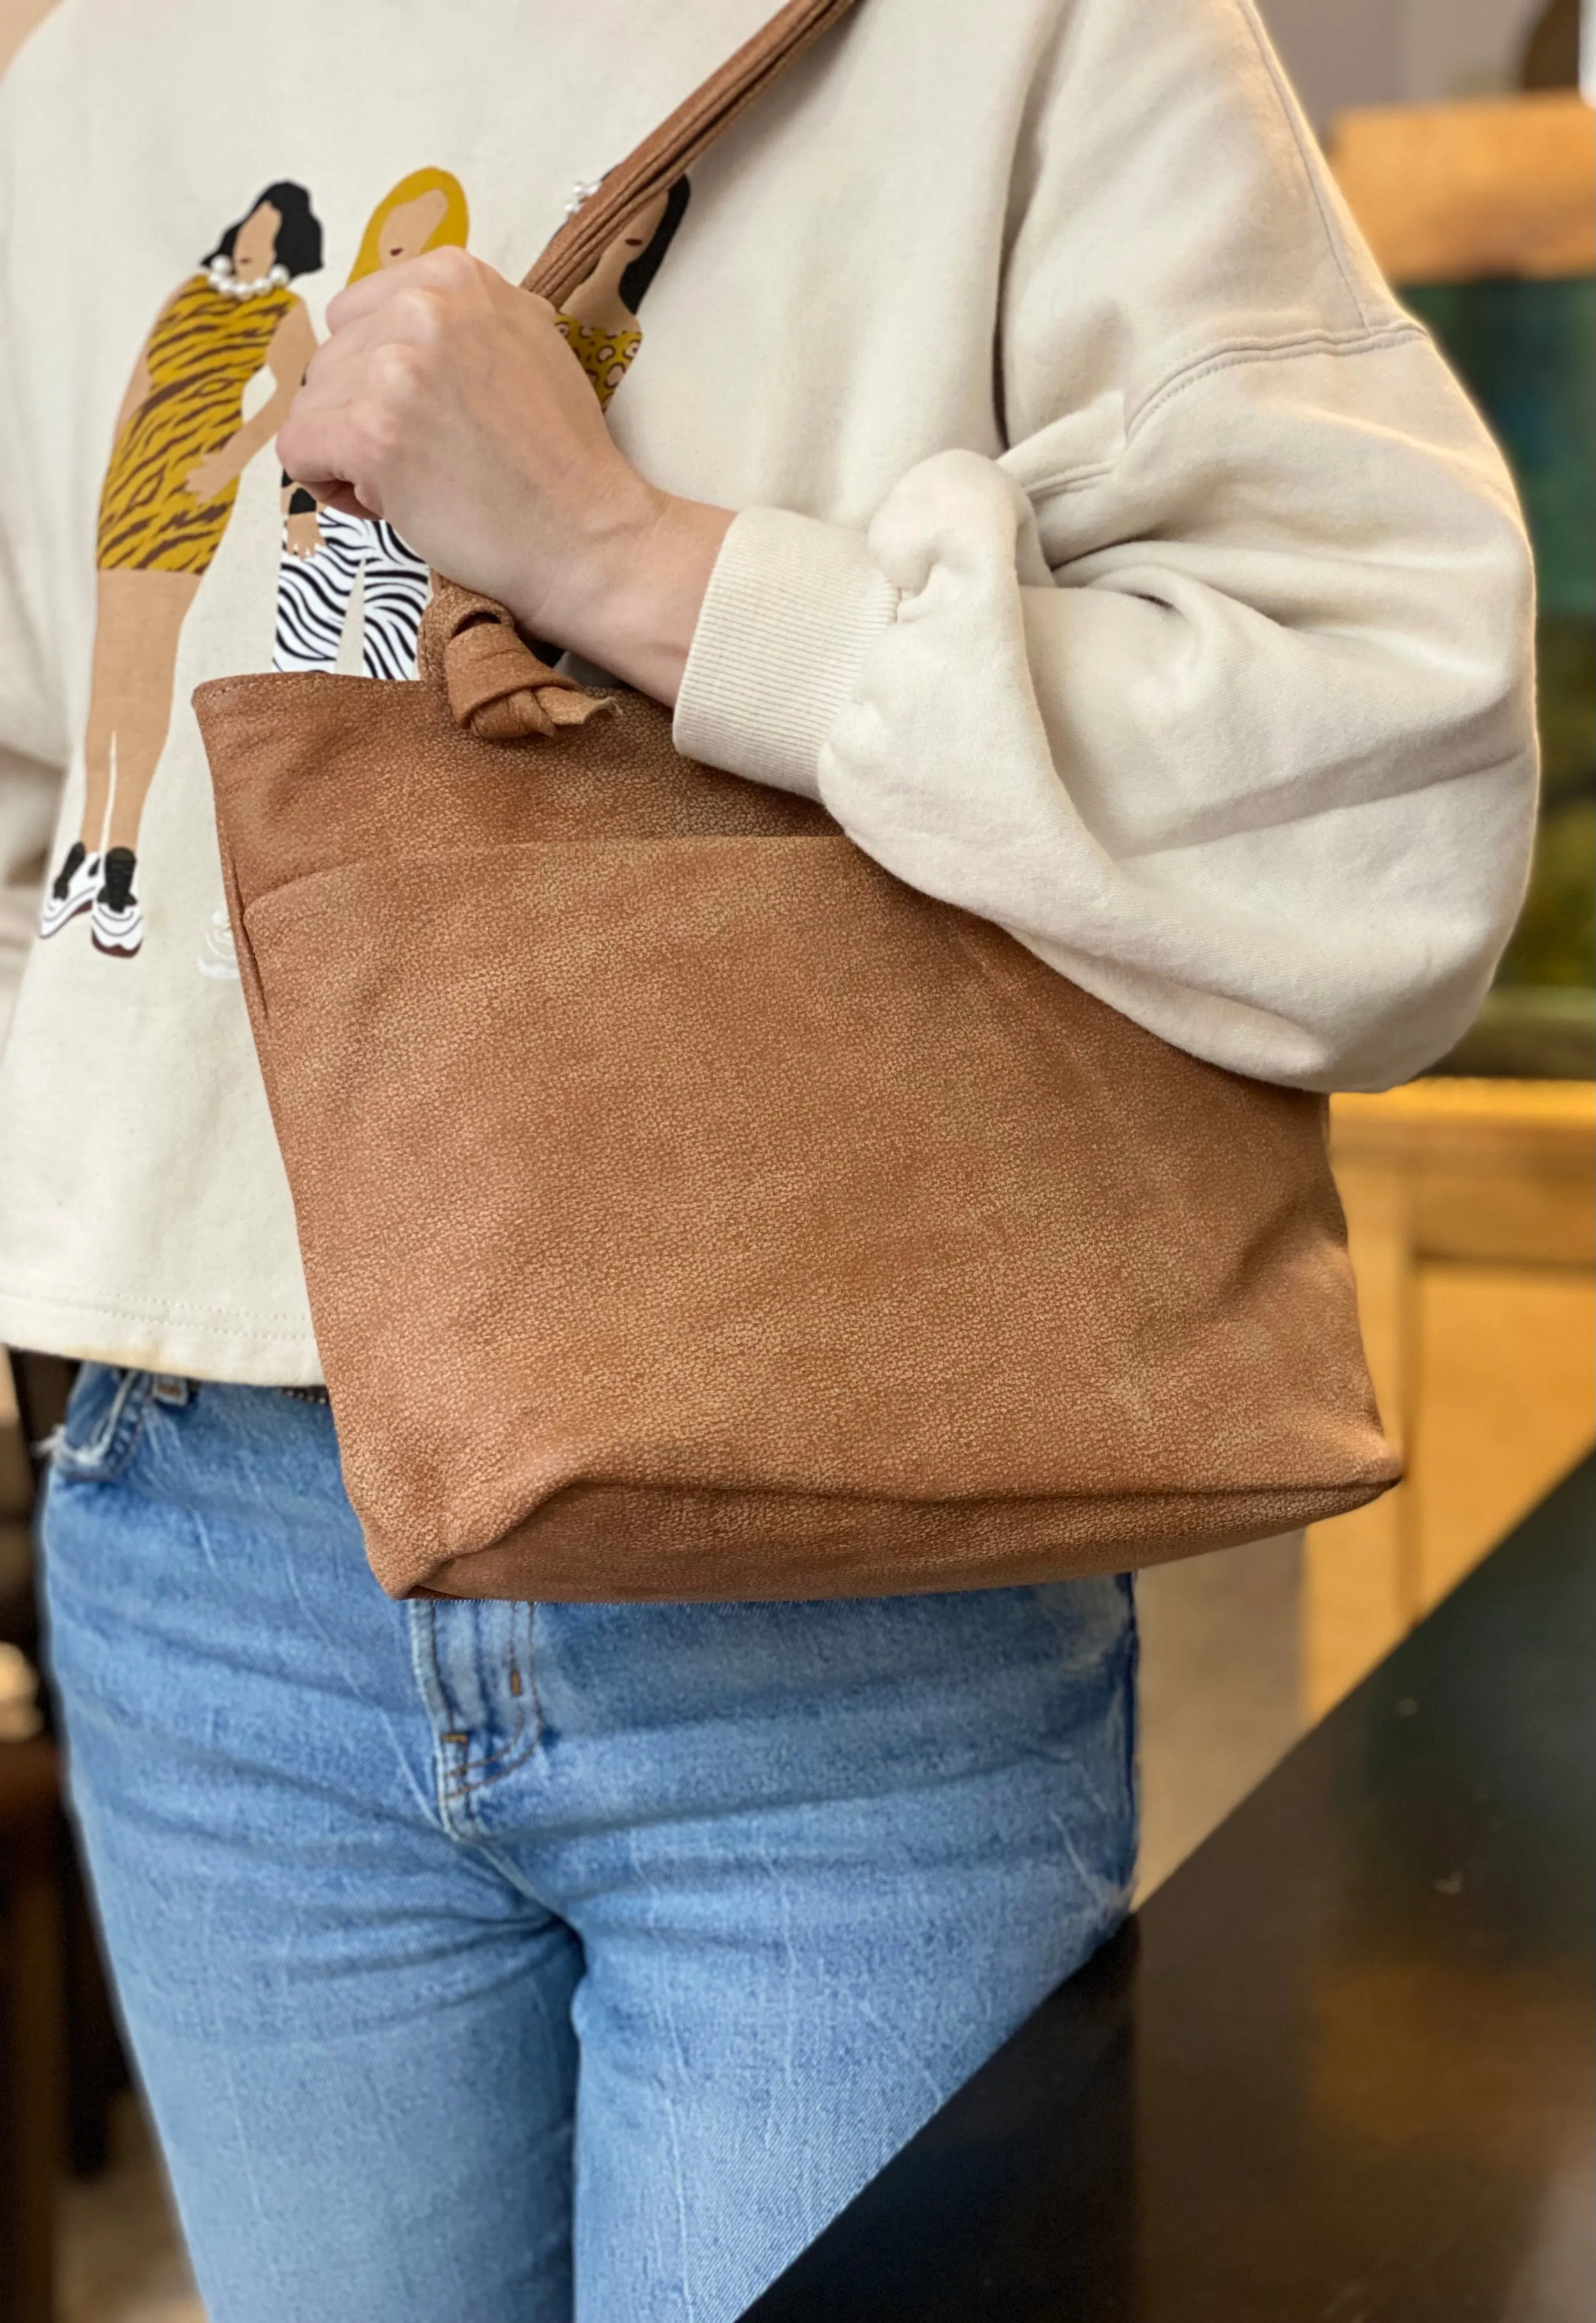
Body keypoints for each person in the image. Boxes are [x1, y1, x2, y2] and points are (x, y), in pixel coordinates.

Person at [0, 3, 1535, 2320]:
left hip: (833, 1543)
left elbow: (1388, 800)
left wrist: (635, 561)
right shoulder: (100, 66)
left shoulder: (1036, 30)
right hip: (204, 1539)